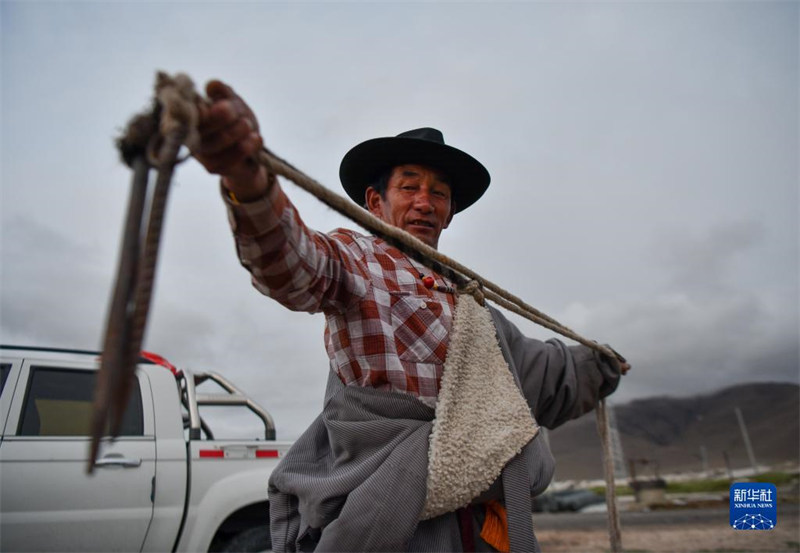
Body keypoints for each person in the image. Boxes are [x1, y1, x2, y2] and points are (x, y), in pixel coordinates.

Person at [193, 80, 630, 552]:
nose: (425, 201)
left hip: (481, 531)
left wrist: (600, 366)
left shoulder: (473, 305)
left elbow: (541, 372)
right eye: (410, 186)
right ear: (375, 201)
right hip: (389, 523)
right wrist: (250, 186)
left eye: (439, 193)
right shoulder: (354, 260)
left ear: (449, 214)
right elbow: (292, 262)